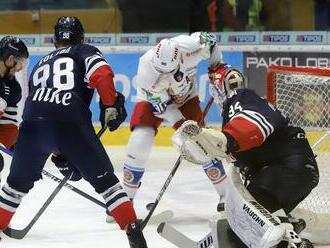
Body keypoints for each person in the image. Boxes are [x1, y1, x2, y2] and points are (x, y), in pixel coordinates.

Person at [0, 16, 148, 248]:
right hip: (70, 124)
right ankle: (133, 232)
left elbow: (41, 107)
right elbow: (102, 74)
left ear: (55, 39)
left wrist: (39, 152)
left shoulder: (39, 63)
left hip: (31, 128)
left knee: (14, 188)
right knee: (109, 186)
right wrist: (109, 104)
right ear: (81, 36)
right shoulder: (83, 51)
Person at [172, 64, 319, 247]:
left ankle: (292, 240)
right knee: (246, 227)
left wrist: (225, 139)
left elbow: (256, 120)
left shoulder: (239, 97)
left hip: (285, 168)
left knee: (244, 226)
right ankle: (286, 225)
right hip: (288, 171)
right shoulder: (234, 110)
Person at [120, 32, 228, 214]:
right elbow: (165, 108)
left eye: (168, 71)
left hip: (186, 96)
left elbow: (212, 43)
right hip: (153, 100)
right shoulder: (146, 71)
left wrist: (216, 71)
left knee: (202, 142)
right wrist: (183, 127)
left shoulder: (191, 46)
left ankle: (226, 194)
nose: (164, 75)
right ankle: (124, 201)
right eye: (160, 71)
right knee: (141, 137)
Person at [0, 36, 28, 181]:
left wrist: (20, 151)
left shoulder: (13, 88)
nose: (21, 68)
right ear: (10, 59)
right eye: (20, 62)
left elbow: (5, 126)